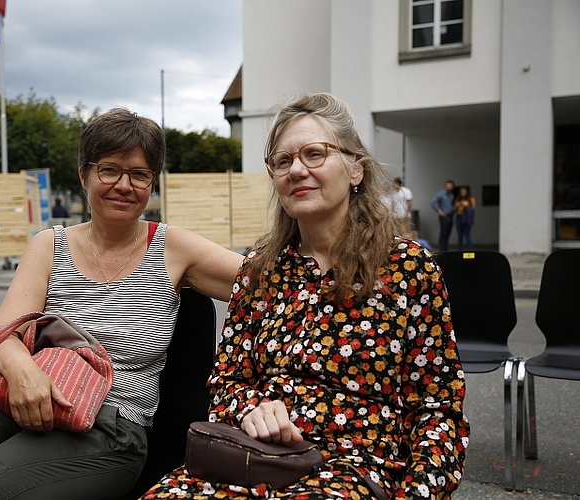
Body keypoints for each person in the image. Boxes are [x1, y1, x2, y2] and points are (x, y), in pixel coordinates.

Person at [0, 107, 245, 499]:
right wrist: (25, 375)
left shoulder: (172, 246)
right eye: (109, 170)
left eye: (139, 174)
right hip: (30, 400)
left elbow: (275, 282)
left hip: (109, 426)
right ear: (84, 175)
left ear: (152, 183)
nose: (124, 185)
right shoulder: (50, 244)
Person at [143, 93, 469, 499]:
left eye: (314, 154)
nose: (297, 170)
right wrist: (250, 408)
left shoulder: (408, 268)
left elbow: (438, 413)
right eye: (283, 161)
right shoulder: (261, 270)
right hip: (252, 459)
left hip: (353, 467)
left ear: (356, 170)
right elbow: (227, 384)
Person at [430, 179, 456, 252]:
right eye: (448, 186)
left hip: (450, 215)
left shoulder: (451, 195)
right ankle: (442, 249)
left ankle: (445, 248)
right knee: (443, 233)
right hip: (444, 216)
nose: (449, 188)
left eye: (450, 187)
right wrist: (439, 211)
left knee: (448, 233)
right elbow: (432, 202)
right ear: (445, 186)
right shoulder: (441, 194)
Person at [454, 186, 477, 251]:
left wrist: (466, 205)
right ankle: (460, 250)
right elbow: (455, 209)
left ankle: (469, 250)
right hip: (459, 217)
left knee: (468, 235)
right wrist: (458, 205)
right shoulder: (458, 199)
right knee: (460, 235)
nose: (463, 193)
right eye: (461, 192)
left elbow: (473, 208)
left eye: (464, 192)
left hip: (467, 218)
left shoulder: (471, 198)